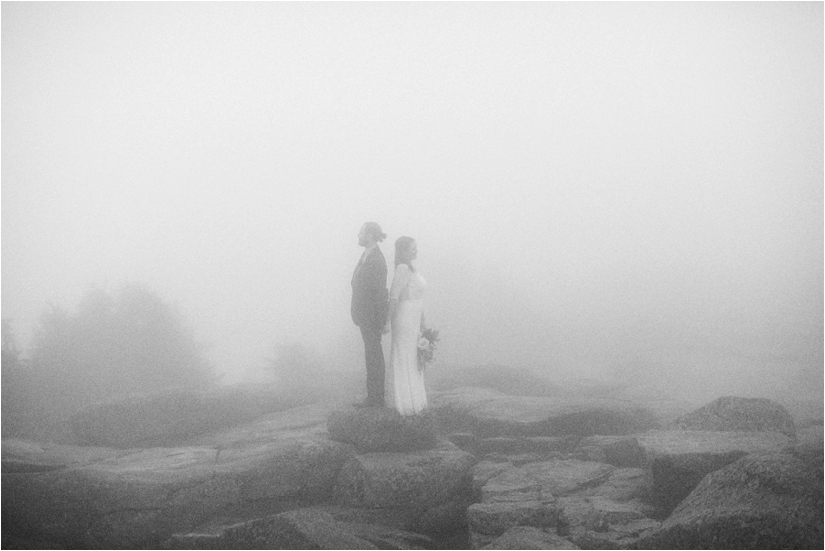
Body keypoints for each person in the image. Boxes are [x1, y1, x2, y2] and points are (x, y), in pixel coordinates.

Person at [384, 236, 428, 415]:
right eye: (412, 248)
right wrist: (387, 320)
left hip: (414, 317)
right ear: (403, 251)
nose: (416, 251)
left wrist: (423, 322)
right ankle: (404, 400)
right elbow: (394, 297)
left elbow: (419, 297)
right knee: (405, 355)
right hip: (404, 318)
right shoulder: (402, 269)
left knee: (413, 356)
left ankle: (414, 397)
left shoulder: (412, 268)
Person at [351, 222, 389, 407]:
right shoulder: (366, 256)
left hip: (372, 315)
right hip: (364, 314)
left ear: (370, 235)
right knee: (370, 354)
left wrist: (382, 320)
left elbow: (380, 292)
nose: (358, 235)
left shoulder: (377, 259)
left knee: (374, 355)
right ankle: (372, 396)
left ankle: (376, 398)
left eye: (361, 232)